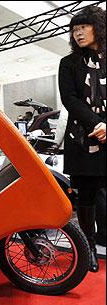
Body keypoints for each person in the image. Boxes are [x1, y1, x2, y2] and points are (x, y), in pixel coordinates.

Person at [58, 6, 106, 273]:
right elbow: (70, 99)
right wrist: (97, 124)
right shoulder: (69, 63)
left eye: (83, 27)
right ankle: (87, 246)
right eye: (74, 30)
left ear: (97, 27)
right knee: (85, 194)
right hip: (82, 137)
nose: (77, 33)